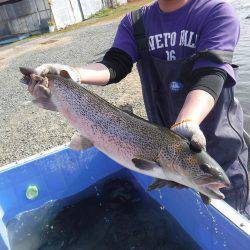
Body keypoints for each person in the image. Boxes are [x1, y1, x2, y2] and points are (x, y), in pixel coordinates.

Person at [32, 0, 249, 217]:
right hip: (164, 155)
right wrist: (72, 75)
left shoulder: (216, 12)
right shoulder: (135, 22)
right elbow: (115, 64)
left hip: (219, 151)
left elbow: (211, 73)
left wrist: (187, 122)